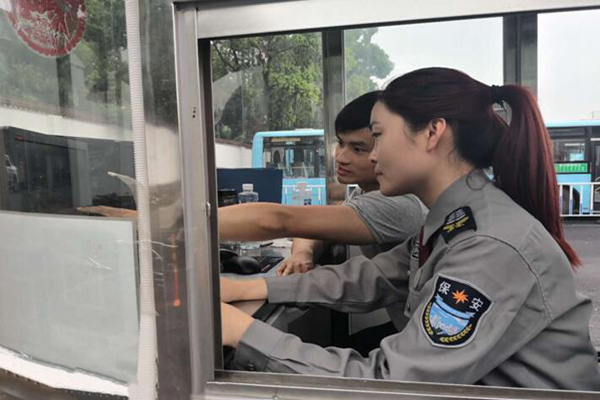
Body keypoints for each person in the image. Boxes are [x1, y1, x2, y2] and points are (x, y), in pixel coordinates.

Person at [219, 67, 600, 389]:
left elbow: (394, 383)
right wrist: (255, 287)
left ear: (433, 132)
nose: (372, 155)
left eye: (378, 136)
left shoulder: (489, 244)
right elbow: (374, 277)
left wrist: (242, 332)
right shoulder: (454, 219)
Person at [219, 91, 427, 276]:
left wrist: (202, 223)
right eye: (341, 143)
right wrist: (302, 252)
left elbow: (281, 220)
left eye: (358, 149)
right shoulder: (365, 191)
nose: (341, 157)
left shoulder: (398, 203)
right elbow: (317, 227)